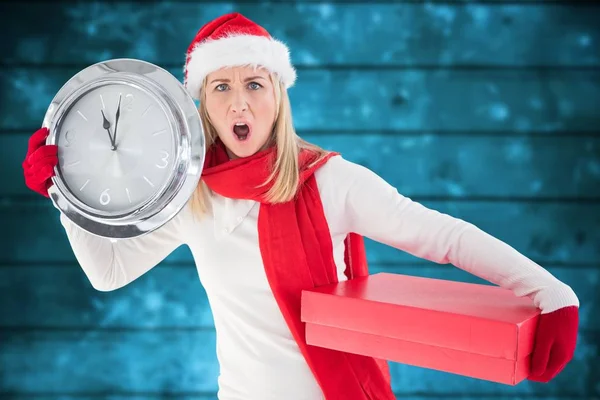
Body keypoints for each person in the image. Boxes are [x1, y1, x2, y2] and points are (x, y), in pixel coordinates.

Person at [22, 12, 580, 400]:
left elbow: (444, 237)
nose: (239, 101)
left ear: (278, 95)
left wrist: (550, 293)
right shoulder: (193, 195)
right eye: (220, 87)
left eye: (254, 84)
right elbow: (107, 271)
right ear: (203, 106)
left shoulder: (331, 181)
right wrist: (65, 191)